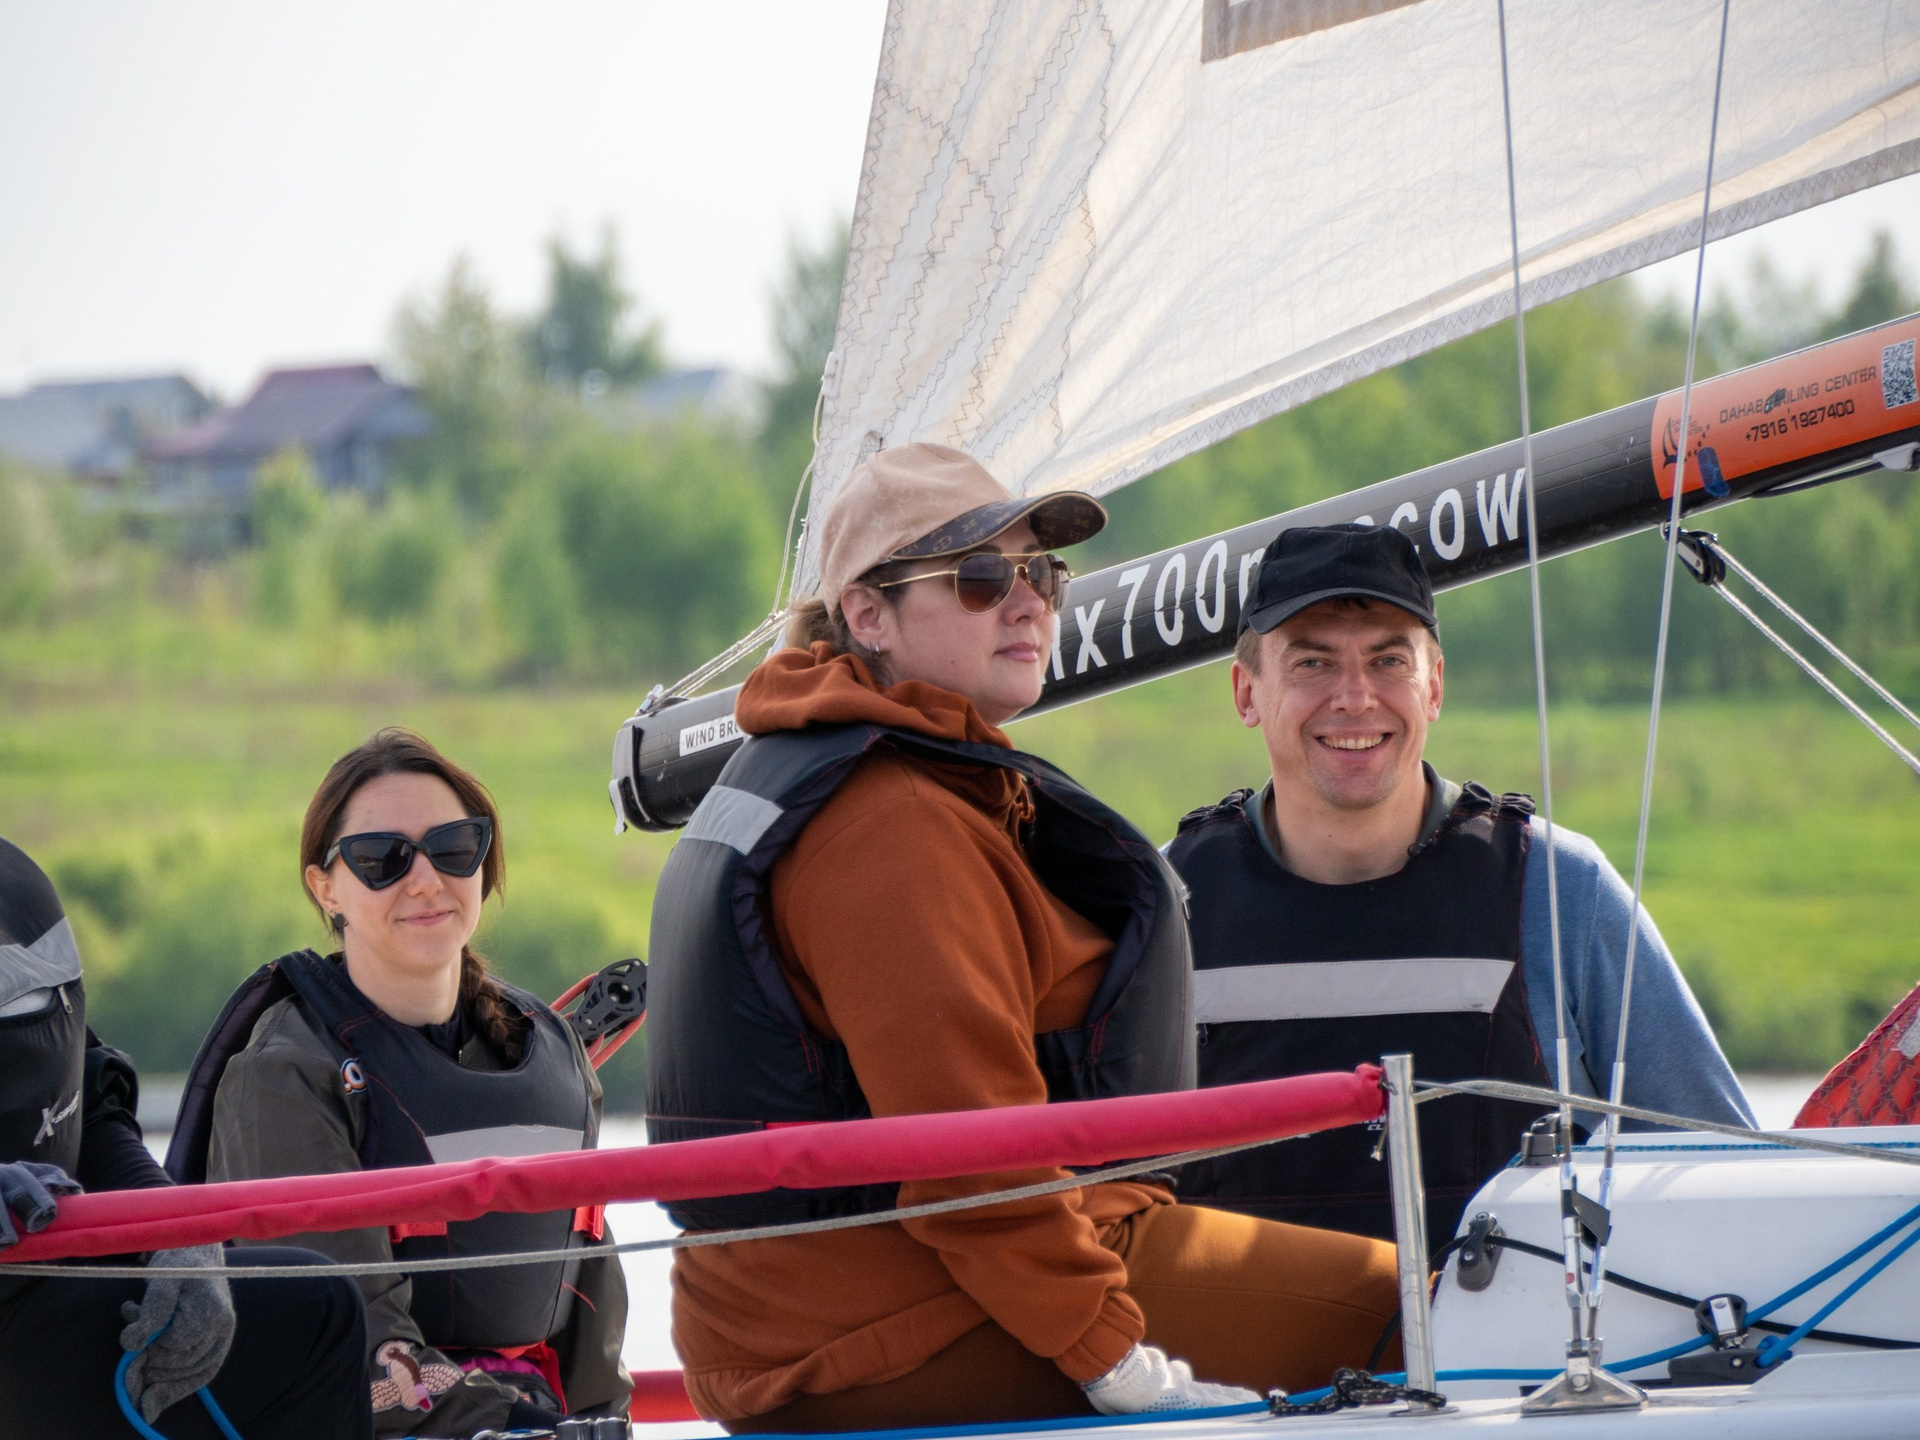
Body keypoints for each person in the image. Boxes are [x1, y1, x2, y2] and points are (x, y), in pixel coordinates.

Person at [647, 443, 1402, 1433]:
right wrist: (1116, 1362)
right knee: (1423, 1310)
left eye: (1041, 574)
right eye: (979, 578)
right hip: (897, 1323)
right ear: (867, 615)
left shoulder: (863, 770)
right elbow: (970, 1159)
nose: (1027, 603)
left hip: (833, 1308)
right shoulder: (889, 827)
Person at [1166, 523, 1756, 1252]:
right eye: (1313, 662)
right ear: (1246, 691)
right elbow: (1086, 1201)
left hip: (1514, 1333)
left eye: (1388, 661)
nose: (1354, 697)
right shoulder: (1163, 908)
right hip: (1243, 1334)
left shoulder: (1557, 892)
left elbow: (1721, 1176)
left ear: (1435, 686)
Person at [166, 729, 633, 1437]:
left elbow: (593, 1324)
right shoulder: (283, 1077)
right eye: (382, 858)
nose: (424, 880)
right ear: (325, 888)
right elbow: (349, 1346)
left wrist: (599, 1427)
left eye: (453, 848)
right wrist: (527, 1428)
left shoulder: (556, 1056)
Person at [0, 835, 371, 1440]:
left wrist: (174, 1232)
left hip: (55, 1276)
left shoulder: (16, 889)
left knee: (314, 1307)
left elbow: (82, 1102)